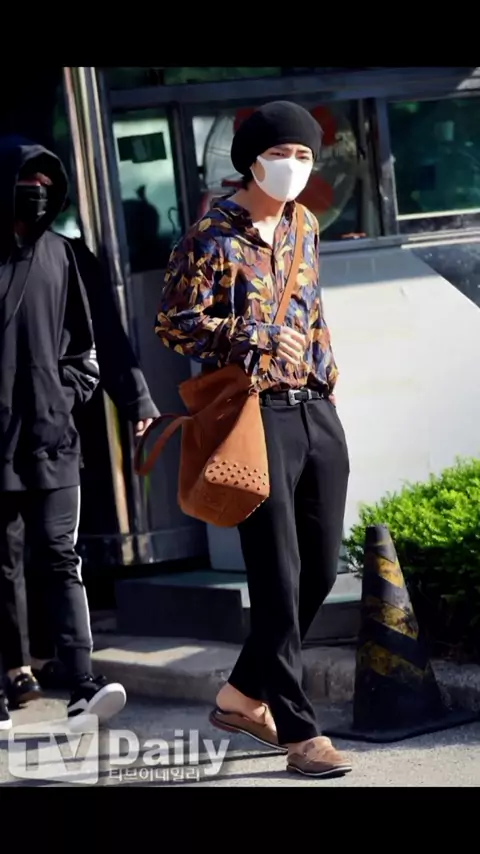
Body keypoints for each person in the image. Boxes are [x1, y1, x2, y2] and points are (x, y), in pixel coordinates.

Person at [154, 101, 351, 778]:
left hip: (315, 406)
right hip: (254, 413)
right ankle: (299, 734)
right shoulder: (210, 235)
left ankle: (240, 695)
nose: (293, 166)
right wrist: (252, 334)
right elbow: (173, 323)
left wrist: (327, 377)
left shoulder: (305, 224)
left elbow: (313, 310)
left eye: (304, 156)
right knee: (276, 576)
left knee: (321, 570)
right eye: (280, 154)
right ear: (251, 161)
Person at [0, 135, 126, 731]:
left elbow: (86, 350)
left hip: (53, 443)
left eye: (49, 183)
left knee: (60, 556)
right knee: (3, 566)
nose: (40, 191)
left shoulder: (64, 256)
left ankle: (82, 684)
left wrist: (60, 396)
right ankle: (9, 678)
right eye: (29, 180)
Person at [8, 235, 160, 703]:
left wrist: (134, 398)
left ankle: (70, 672)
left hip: (56, 433)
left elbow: (100, 336)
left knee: (58, 551)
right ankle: (17, 669)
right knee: (8, 556)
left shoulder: (67, 255)